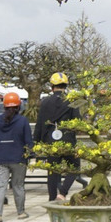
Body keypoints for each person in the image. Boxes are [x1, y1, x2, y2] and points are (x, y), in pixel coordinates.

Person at [34, 72, 80, 203]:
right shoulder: (72, 101)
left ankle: (52, 198)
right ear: (65, 85)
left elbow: (39, 123)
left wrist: (36, 142)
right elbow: (77, 121)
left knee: (52, 170)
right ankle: (63, 192)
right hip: (68, 140)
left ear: (51, 86)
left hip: (51, 141)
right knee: (75, 167)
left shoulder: (45, 102)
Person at [0, 92, 32, 222]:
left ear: (4, 106)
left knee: (0, 186)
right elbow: (28, 141)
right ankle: (20, 212)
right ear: (19, 106)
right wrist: (29, 155)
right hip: (18, 158)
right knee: (18, 185)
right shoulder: (23, 121)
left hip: (1, 157)